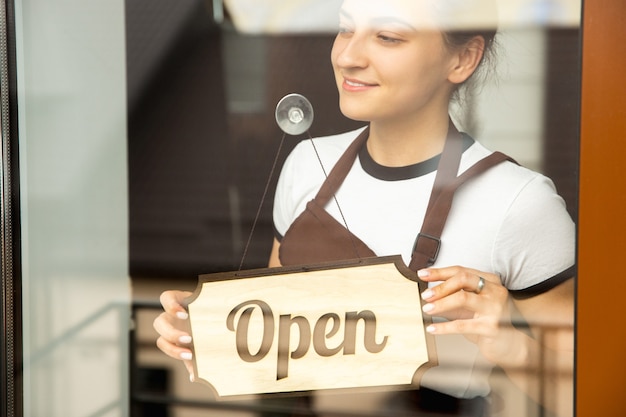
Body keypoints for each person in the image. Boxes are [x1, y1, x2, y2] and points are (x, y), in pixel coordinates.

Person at [154, 0, 575, 416]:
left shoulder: (519, 202)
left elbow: (589, 393)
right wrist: (201, 329)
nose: (348, 57)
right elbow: (274, 347)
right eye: (344, 28)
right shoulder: (306, 165)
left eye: (388, 37)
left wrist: (511, 346)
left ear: (463, 59)